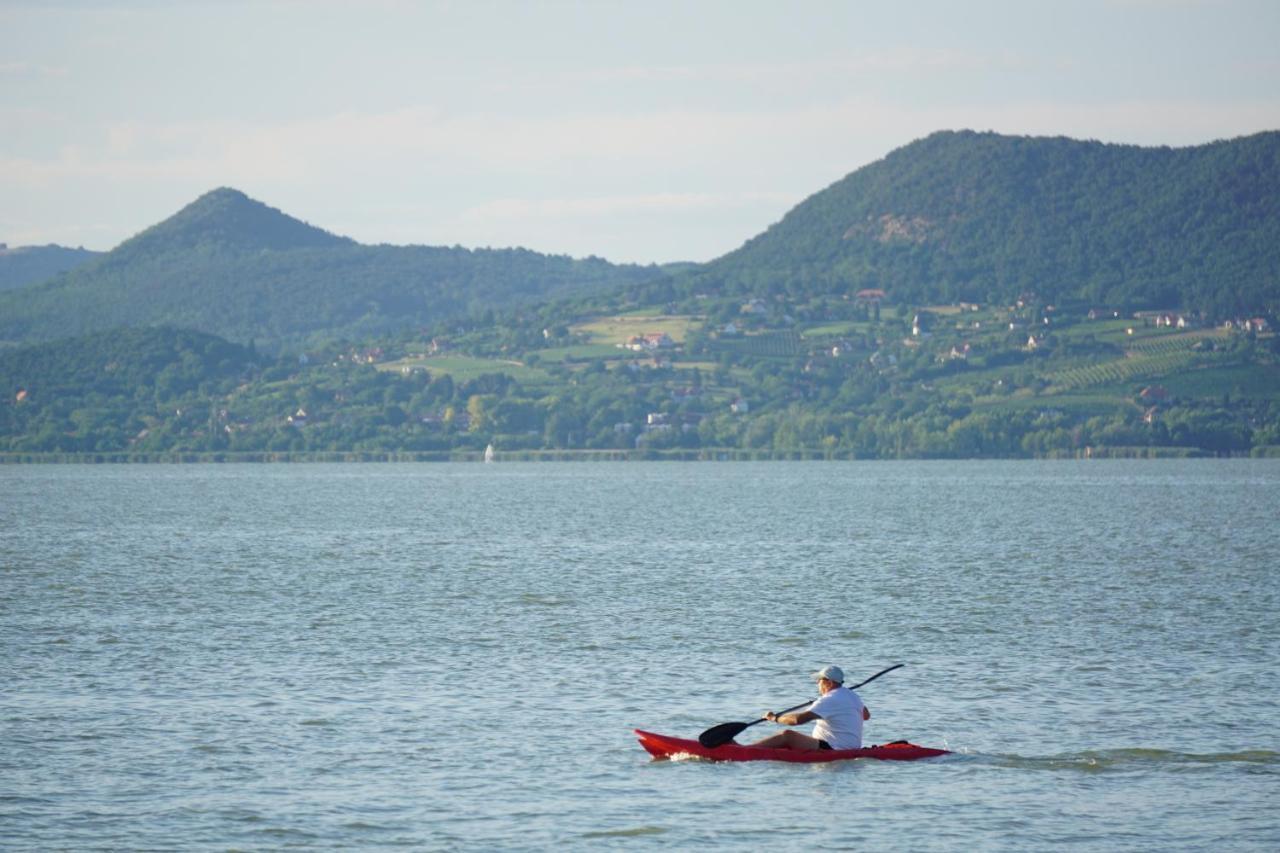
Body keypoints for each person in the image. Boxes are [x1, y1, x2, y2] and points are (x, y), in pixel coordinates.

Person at [751, 665, 870, 751]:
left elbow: (798, 720)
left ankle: (747, 750)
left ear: (829, 682)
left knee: (787, 735)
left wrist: (774, 718)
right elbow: (866, 716)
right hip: (851, 747)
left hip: (833, 748)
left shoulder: (829, 699)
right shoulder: (852, 695)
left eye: (819, 680)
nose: (817, 683)